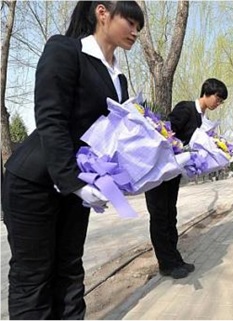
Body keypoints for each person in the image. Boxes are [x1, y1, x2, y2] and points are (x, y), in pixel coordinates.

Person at [1, 1, 144, 319]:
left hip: (79, 184)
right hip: (34, 181)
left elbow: (110, 137)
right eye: (131, 22)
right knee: (34, 277)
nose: (135, 31)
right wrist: (72, 182)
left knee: (69, 268)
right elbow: (51, 119)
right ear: (102, 12)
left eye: (139, 27)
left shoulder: (118, 78)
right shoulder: (65, 50)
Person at [145, 78, 228, 279]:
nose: (219, 103)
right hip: (159, 171)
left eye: (221, 101)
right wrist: (183, 148)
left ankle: (175, 259)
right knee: (160, 217)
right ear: (207, 93)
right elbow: (165, 134)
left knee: (170, 215)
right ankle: (166, 264)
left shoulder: (201, 119)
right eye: (218, 98)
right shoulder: (186, 108)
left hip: (172, 174)